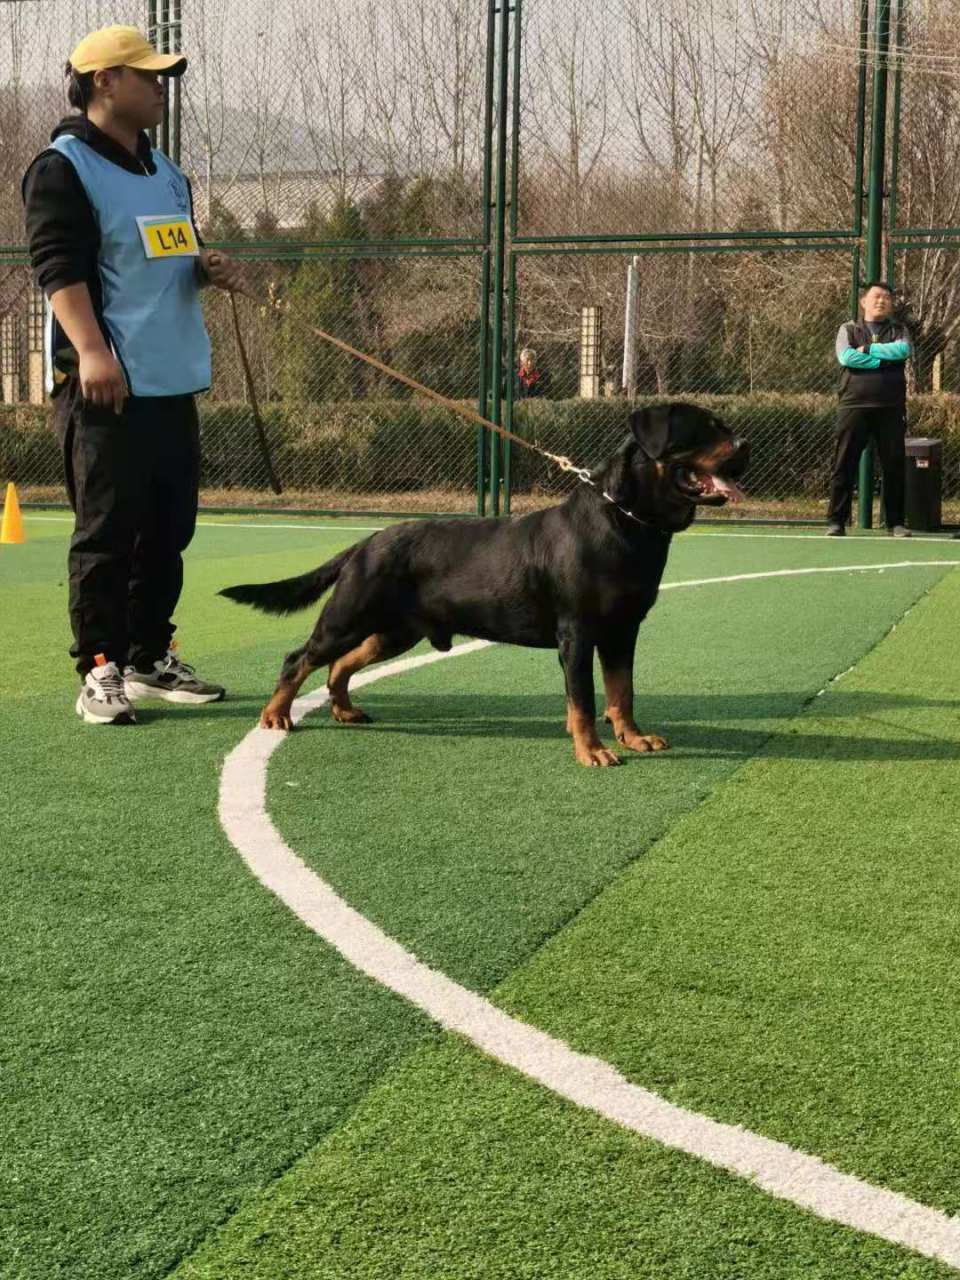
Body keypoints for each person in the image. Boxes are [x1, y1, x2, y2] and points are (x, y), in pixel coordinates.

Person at [21, 25, 242, 724]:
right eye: (146, 76)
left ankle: (148, 655)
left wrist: (204, 270)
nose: (159, 88)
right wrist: (90, 351)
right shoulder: (62, 169)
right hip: (106, 384)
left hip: (171, 378)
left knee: (168, 530)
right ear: (104, 82)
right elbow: (59, 268)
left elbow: (171, 256)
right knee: (106, 531)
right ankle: (100, 666)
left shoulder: (167, 171)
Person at [827, 280, 912, 537]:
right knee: (844, 465)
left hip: (891, 408)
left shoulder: (899, 329)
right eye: (876, 296)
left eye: (886, 297)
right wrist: (880, 362)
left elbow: (903, 350)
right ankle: (836, 521)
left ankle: (895, 523)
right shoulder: (848, 329)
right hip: (854, 406)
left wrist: (870, 349)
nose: (882, 301)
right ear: (863, 301)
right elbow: (846, 357)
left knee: (894, 466)